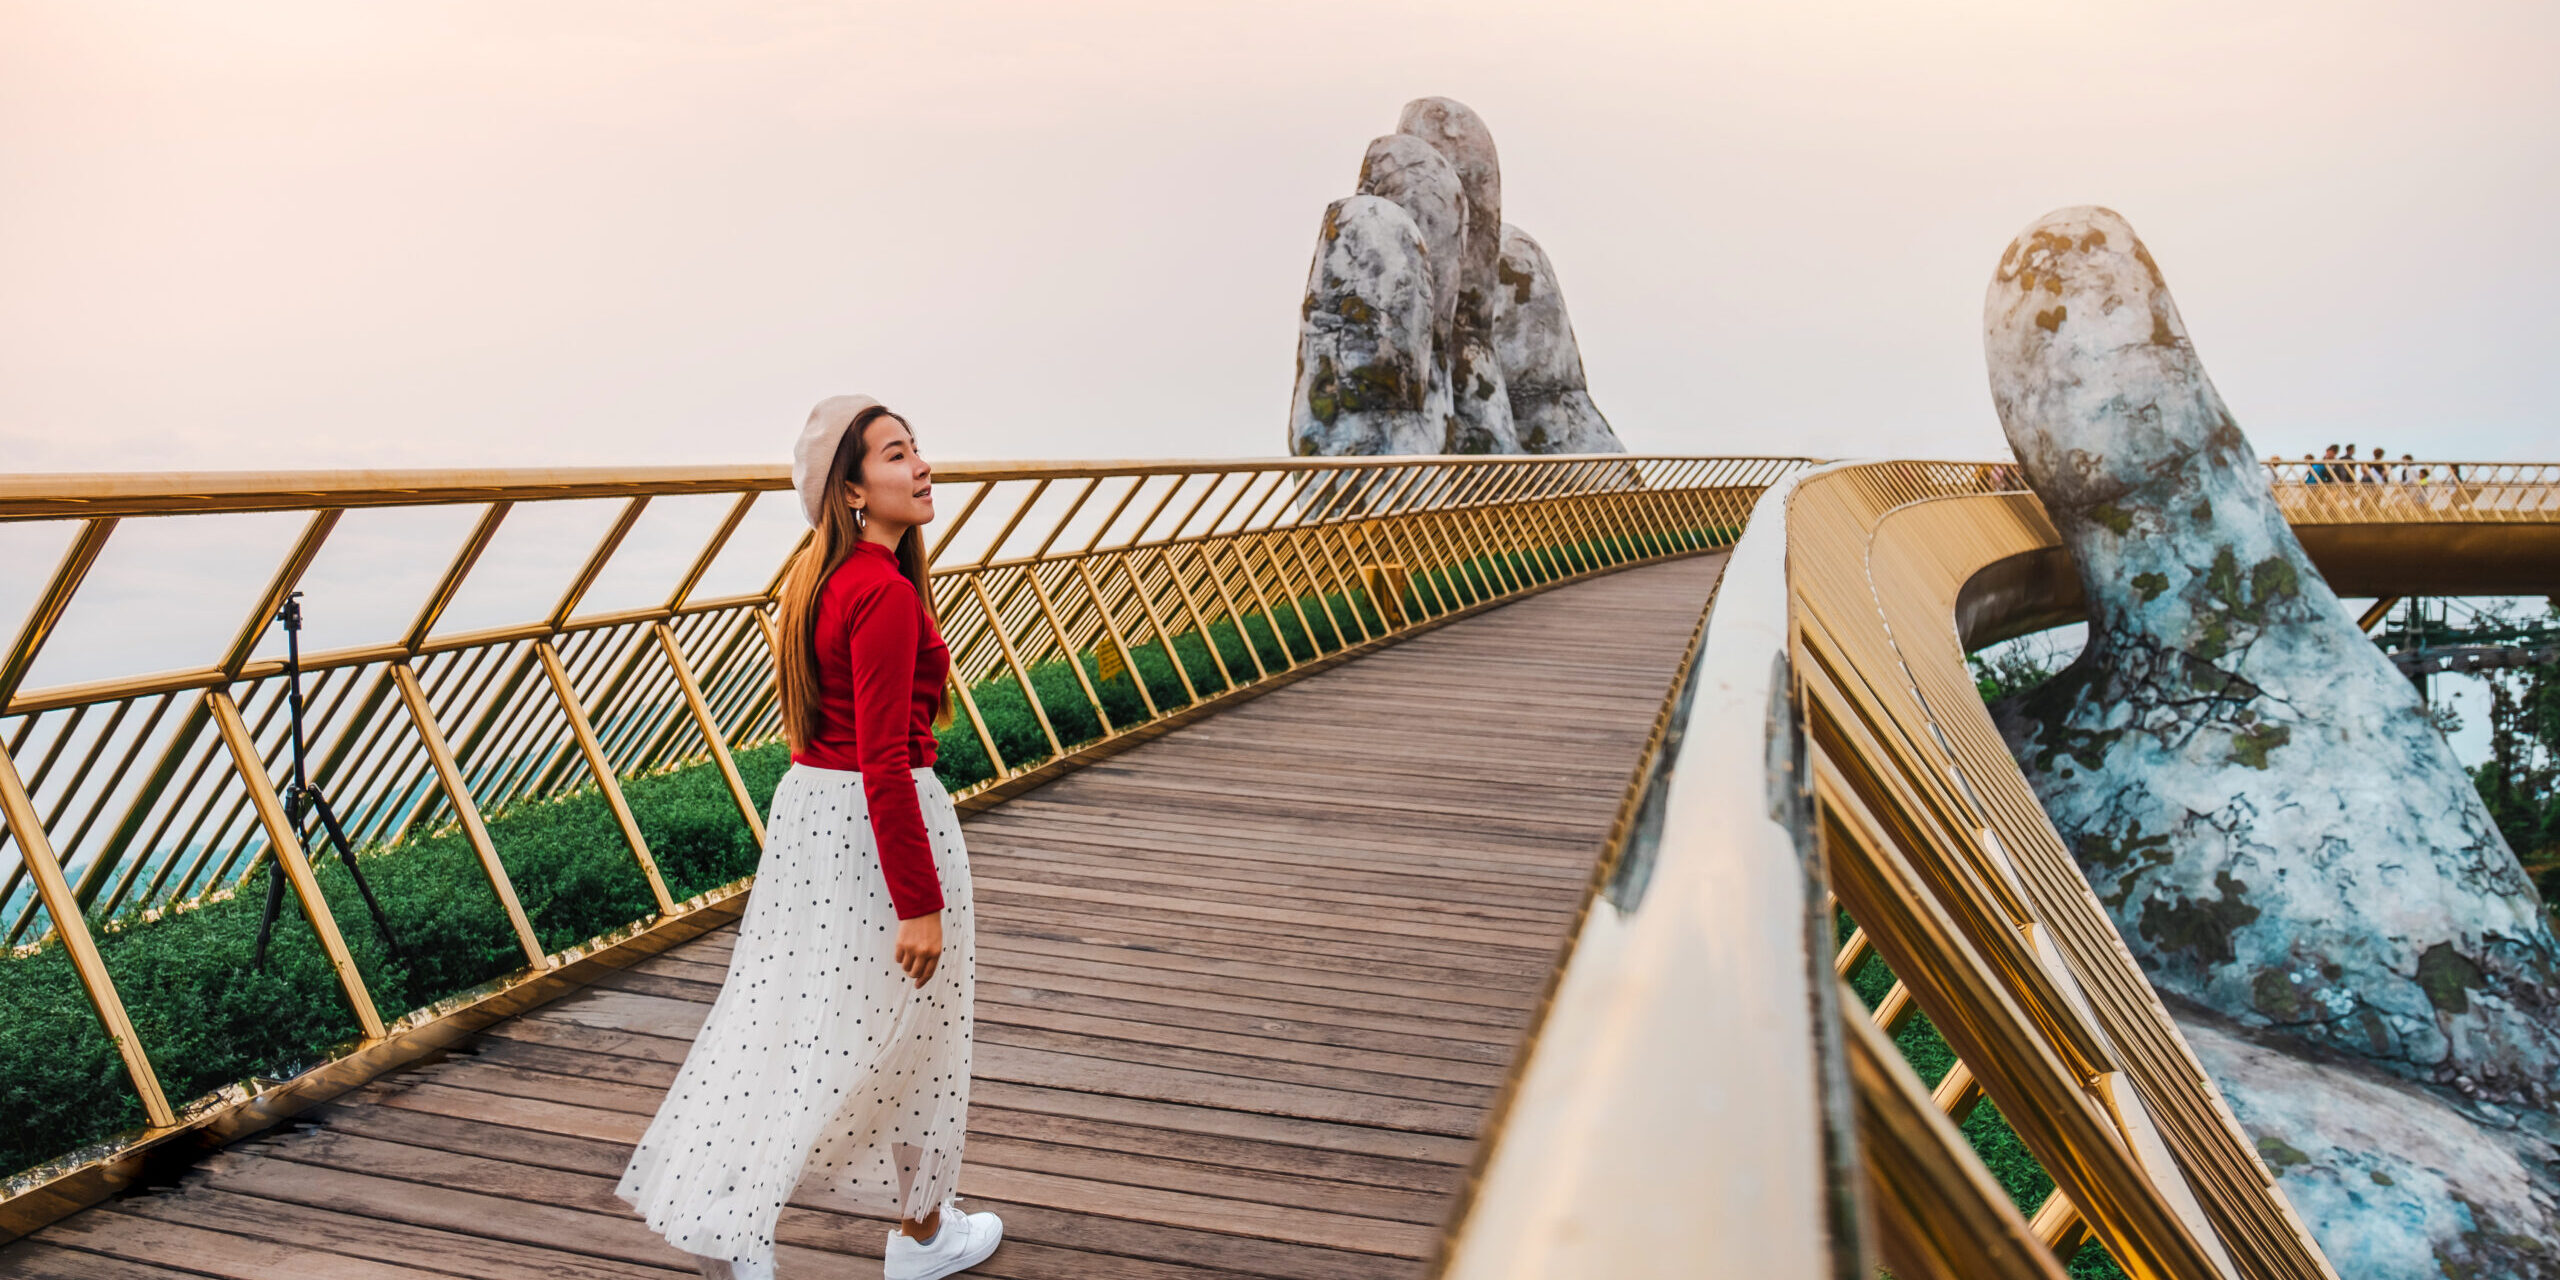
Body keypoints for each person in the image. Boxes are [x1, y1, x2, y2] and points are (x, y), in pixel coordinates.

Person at [618, 395, 1002, 1280]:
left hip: (815, 824)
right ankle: (913, 1236)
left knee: (793, 1027)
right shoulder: (886, 593)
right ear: (852, 490)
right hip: (881, 829)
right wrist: (919, 903)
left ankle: (744, 1215)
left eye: (916, 448)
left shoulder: (818, 580)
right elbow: (885, 761)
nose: (922, 465)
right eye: (897, 454)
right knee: (912, 1039)